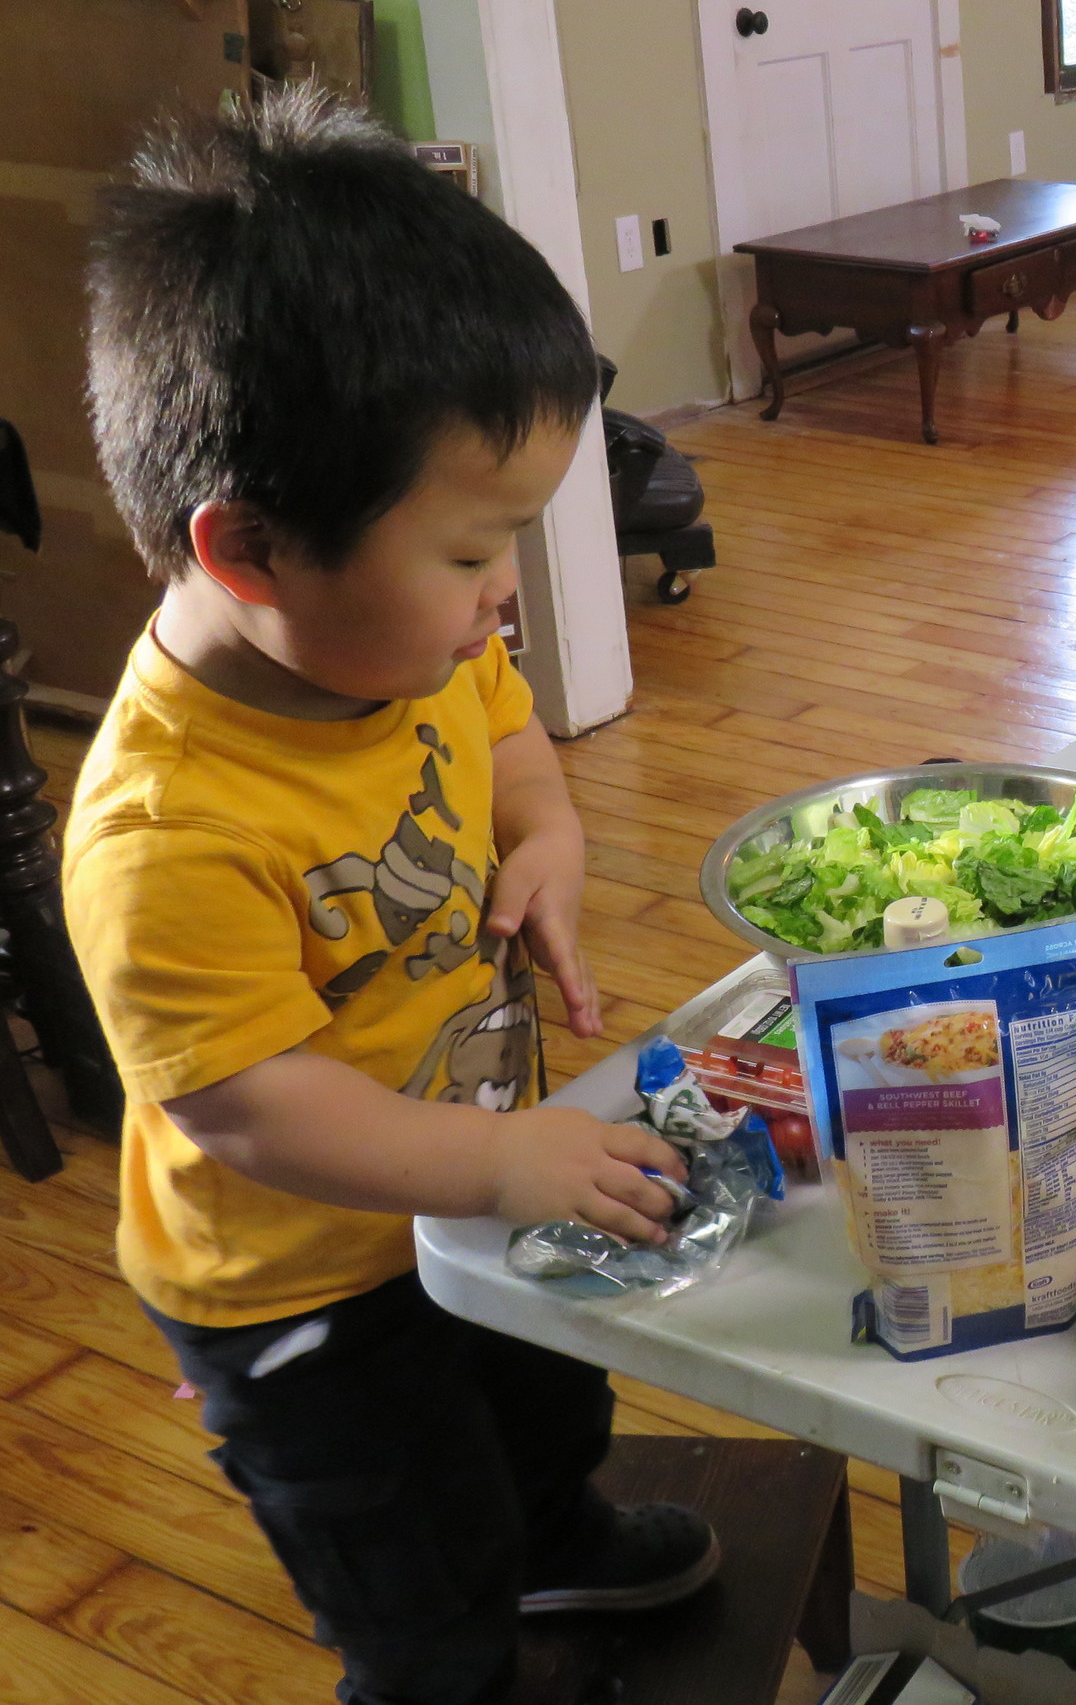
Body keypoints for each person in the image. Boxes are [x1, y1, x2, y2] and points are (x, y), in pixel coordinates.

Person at [64, 86, 717, 1705]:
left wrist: (548, 837)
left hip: (467, 1184)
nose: (507, 597)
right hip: (302, 1297)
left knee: (540, 1407)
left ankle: (555, 1532)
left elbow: (505, 746)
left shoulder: (407, 648)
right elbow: (257, 1112)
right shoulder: (163, 831)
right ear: (250, 549)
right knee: (414, 1571)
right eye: (471, 551)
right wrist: (503, 1154)